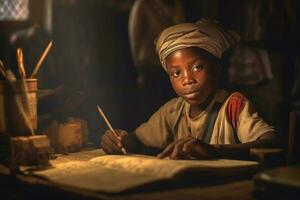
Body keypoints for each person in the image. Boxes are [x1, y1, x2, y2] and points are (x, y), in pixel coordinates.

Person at [100, 19, 277, 160]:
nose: (187, 80)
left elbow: (270, 143)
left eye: (197, 67)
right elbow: (137, 139)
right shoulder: (173, 110)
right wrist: (120, 139)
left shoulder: (233, 106)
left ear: (215, 68)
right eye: (176, 73)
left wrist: (214, 151)